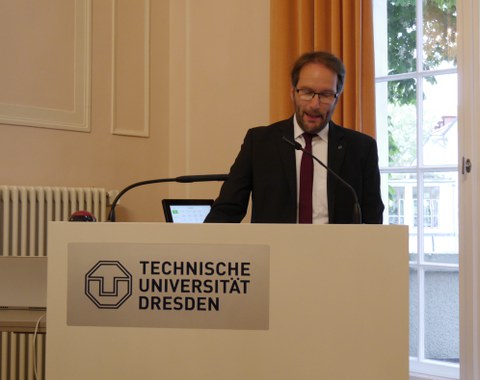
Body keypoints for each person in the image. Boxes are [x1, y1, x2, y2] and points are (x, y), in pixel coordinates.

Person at [204, 51, 384, 224]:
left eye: (326, 95)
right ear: (293, 93)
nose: (315, 104)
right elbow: (227, 211)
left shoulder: (361, 148)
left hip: (338, 254)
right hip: (276, 253)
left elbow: (372, 218)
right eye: (307, 92)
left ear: (336, 99)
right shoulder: (259, 143)